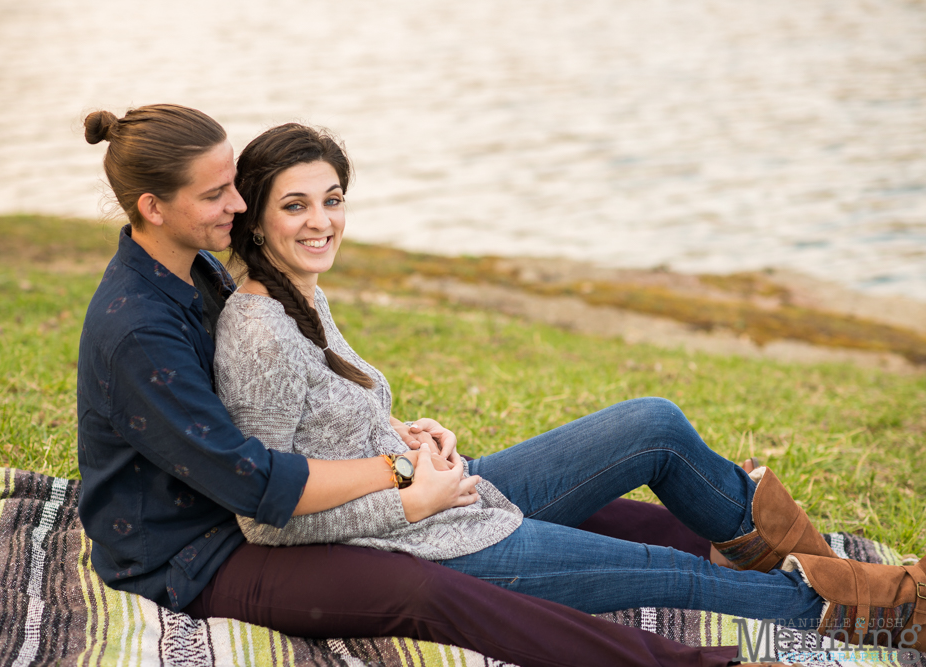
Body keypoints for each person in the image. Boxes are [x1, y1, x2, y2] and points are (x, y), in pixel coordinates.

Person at [214, 122, 926, 655]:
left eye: (332, 199)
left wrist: (400, 432)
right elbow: (267, 518)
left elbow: (323, 424)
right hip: (426, 543)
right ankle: (886, 606)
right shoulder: (260, 332)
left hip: (446, 498)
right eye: (296, 205)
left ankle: (823, 569)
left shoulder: (298, 292)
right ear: (257, 215)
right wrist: (407, 495)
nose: (322, 222)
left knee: (654, 423)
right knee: (668, 571)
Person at [76, 103, 743, 667]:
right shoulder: (138, 330)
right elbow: (254, 484)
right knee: (423, 588)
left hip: (246, 506)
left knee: (482, 489)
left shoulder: (195, 270)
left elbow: (279, 407)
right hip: (192, 552)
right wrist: (397, 473)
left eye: (235, 184)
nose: (240, 202)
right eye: (217, 192)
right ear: (152, 207)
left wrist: (398, 441)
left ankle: (725, 537)